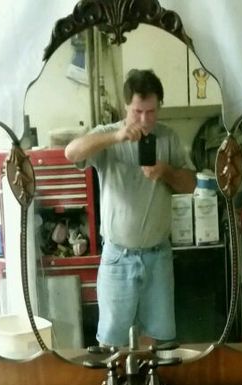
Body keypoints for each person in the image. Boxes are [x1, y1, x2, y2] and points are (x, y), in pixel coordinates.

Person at [64, 69, 196, 348]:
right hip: (117, 257)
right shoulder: (107, 136)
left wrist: (166, 172)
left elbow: (190, 185)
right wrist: (117, 136)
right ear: (126, 107)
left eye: (151, 111)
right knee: (112, 343)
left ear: (159, 106)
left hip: (158, 257)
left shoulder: (169, 138)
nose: (145, 120)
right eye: (138, 112)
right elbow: (71, 153)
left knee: (159, 344)